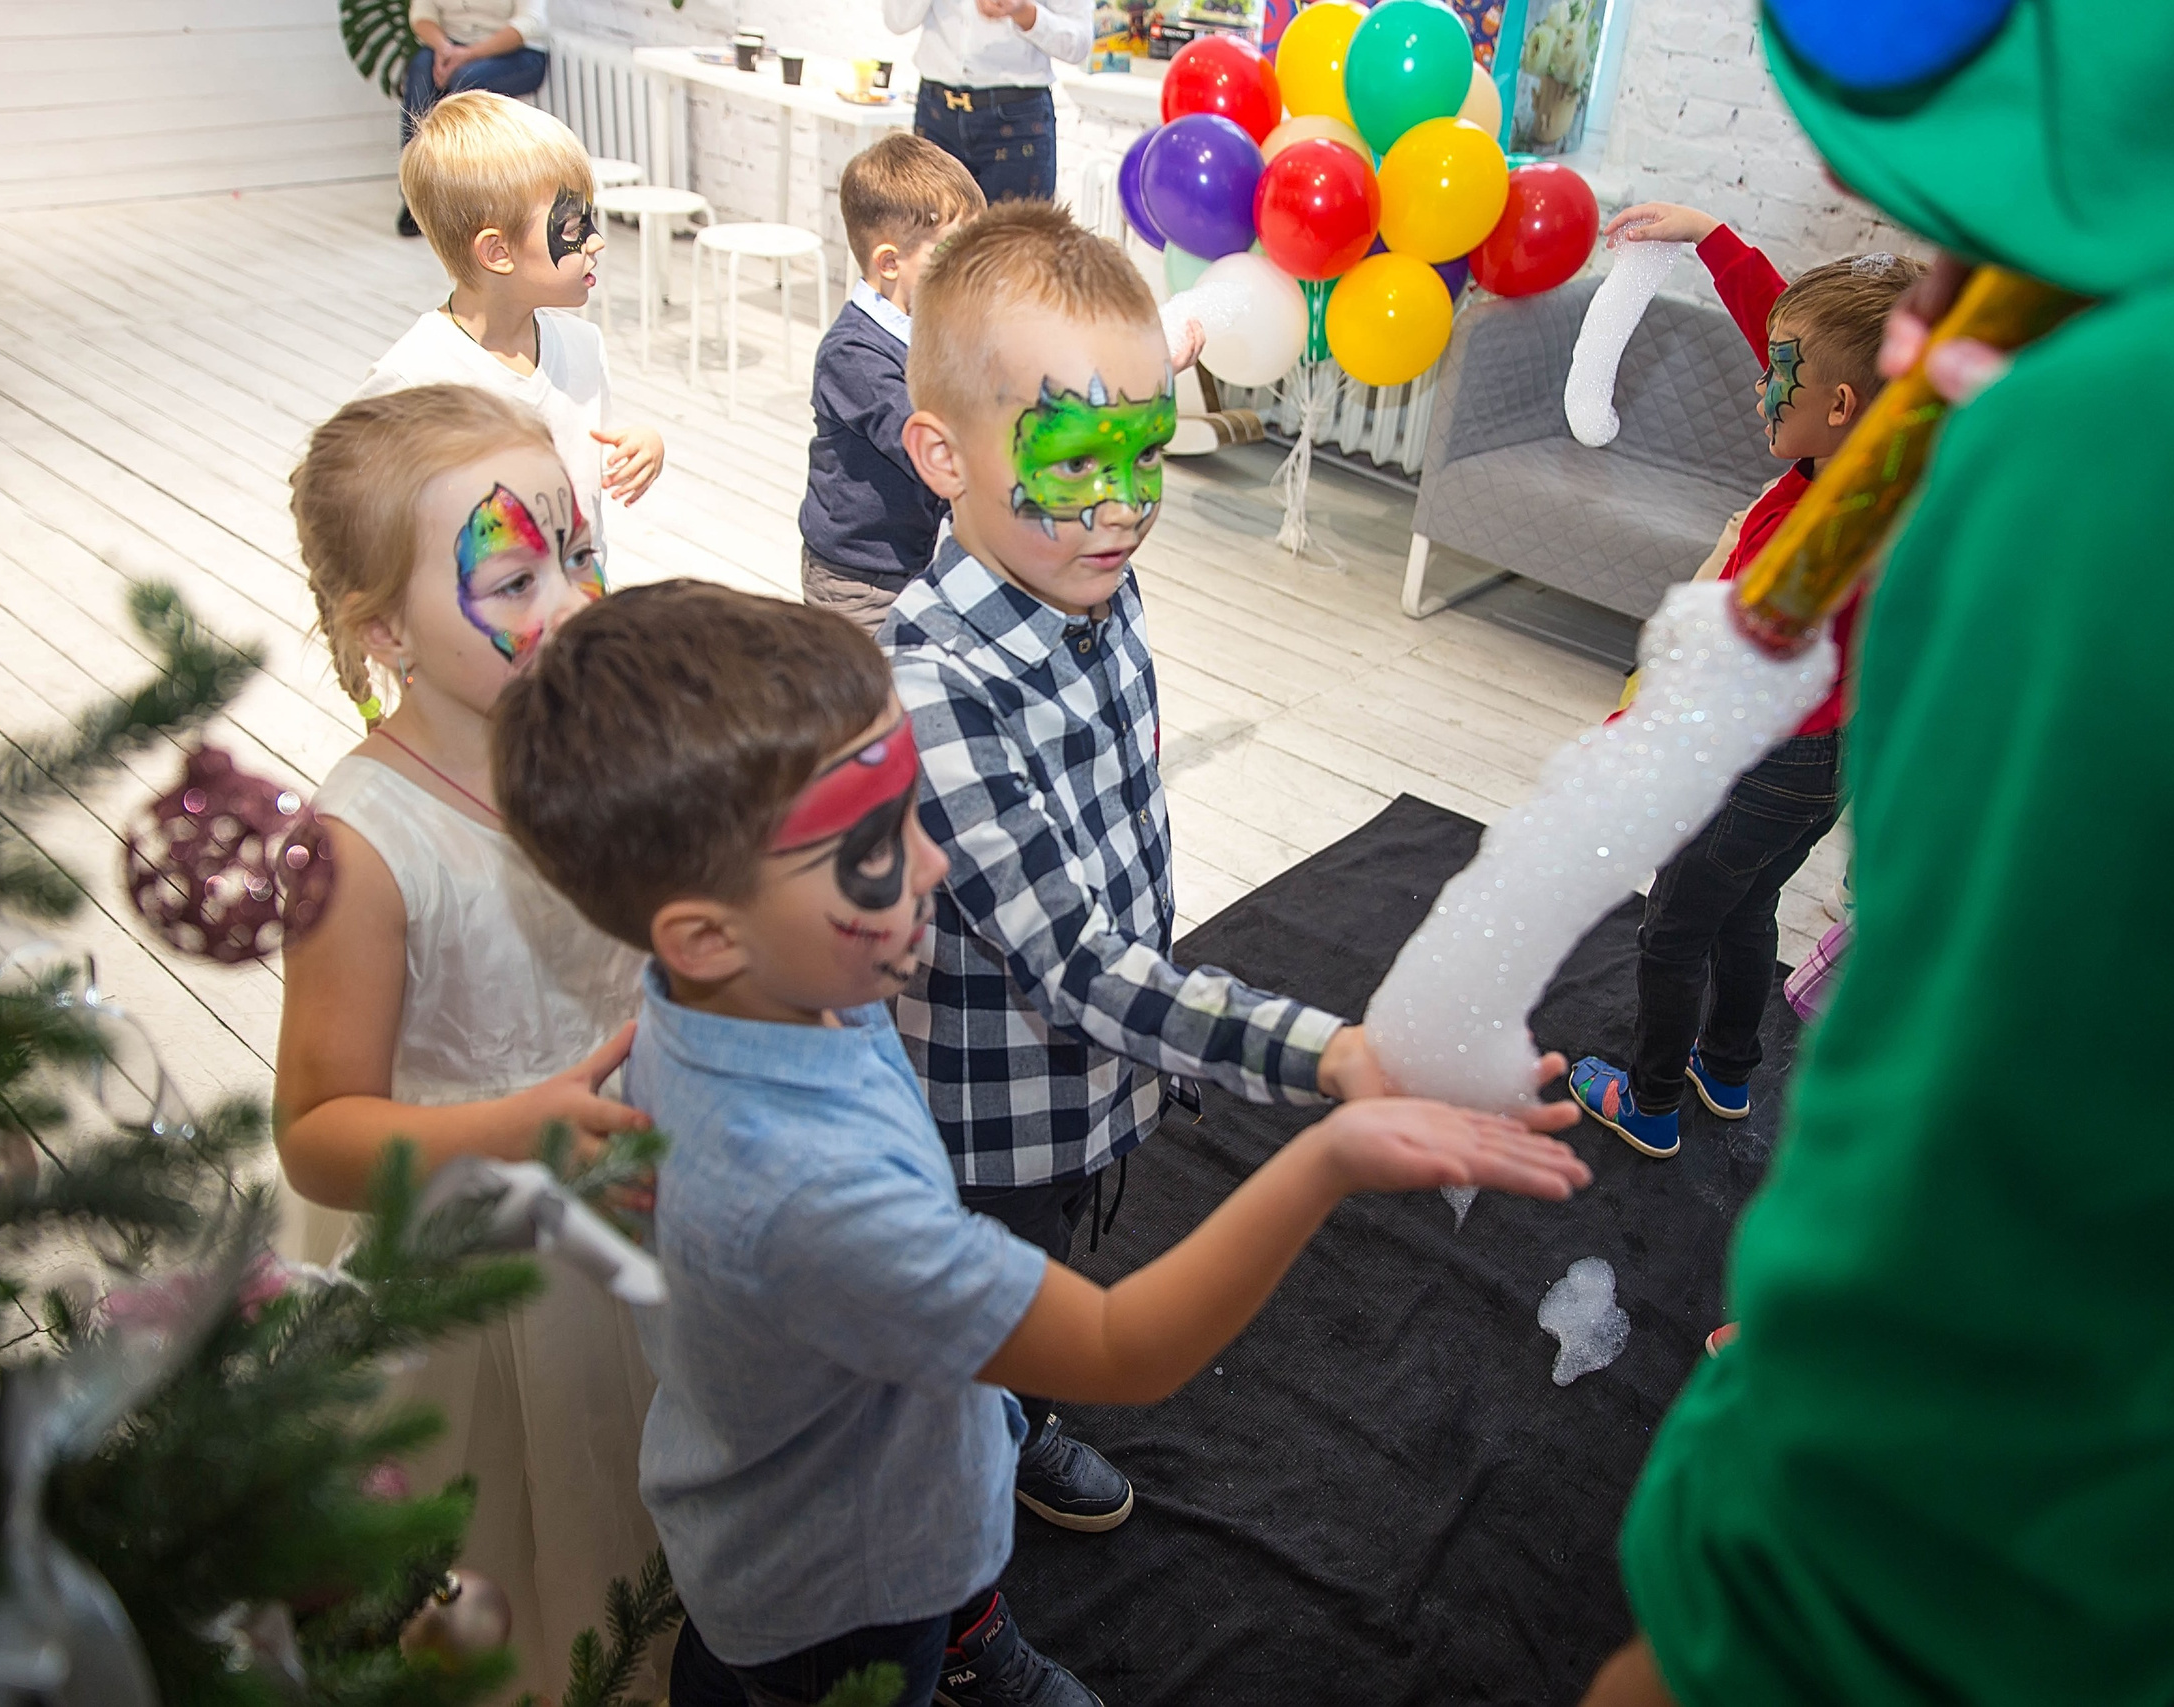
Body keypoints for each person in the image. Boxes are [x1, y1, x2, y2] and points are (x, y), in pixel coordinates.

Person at [1578, 1, 2174, 1702]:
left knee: (1693, 912)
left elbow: (1910, 1575)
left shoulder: (2152, 465)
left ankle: (1673, 1079)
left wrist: (1811, 1448)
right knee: (1729, 922)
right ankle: (1727, 1064)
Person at [487, 579, 1589, 1707]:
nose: (931, 864)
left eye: (912, 810)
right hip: (846, 1601)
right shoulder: (811, 1194)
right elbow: (1122, 1348)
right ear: (705, 932)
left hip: (778, 1511)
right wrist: (1331, 1156)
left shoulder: (749, 986)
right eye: (871, 849)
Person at [881, 201, 1412, 1529]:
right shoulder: (928, 685)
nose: (1121, 504)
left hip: (1090, 1095)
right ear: (942, 454)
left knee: (1046, 1282)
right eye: (1071, 457)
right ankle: (952, 1564)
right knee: (973, 1330)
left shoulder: (1089, 576)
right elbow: (1077, 965)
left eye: (1142, 448)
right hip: (986, 1124)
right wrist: (1319, 1049)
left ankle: (1022, 1414)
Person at [276, 384, 663, 1701]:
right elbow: (320, 1133)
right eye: (511, 571)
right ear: (382, 626)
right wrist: (515, 1127)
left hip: (646, 1192)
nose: (566, 596)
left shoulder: (587, 740)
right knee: (534, 1561)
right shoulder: (361, 846)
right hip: (487, 1265)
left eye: (580, 549)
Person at [1564, 207, 1921, 1160]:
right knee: (1748, 907)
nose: (1762, 389)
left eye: (1776, 379)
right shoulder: (1865, 456)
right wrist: (1713, 238)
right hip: (1821, 767)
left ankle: (1647, 1101)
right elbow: (1798, 335)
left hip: (1762, 759)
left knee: (1673, 929)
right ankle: (1726, 1069)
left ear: (1840, 405)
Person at [361, 91, 665, 543]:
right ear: (497, 252)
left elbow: (580, 461)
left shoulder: (582, 346)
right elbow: (351, 505)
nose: (596, 242)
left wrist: (641, 443)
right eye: (572, 229)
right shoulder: (414, 379)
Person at [798, 135, 987, 633]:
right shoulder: (854, 355)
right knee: (875, 698)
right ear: (888, 263)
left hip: (917, 559)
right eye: (950, 251)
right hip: (860, 579)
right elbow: (922, 442)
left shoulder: (936, 326)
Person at [883, 0, 1089, 205]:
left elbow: (1078, 44)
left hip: (1017, 120)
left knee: (1017, 234)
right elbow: (897, 21)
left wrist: (1024, 12)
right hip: (936, 112)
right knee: (928, 230)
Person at [397, 0, 552, 232]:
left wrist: (468, 55)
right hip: (450, 46)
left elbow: (529, 23)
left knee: (465, 81)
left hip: (517, 53)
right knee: (421, 71)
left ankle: (466, 198)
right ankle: (418, 195)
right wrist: (444, 49)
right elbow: (422, 15)